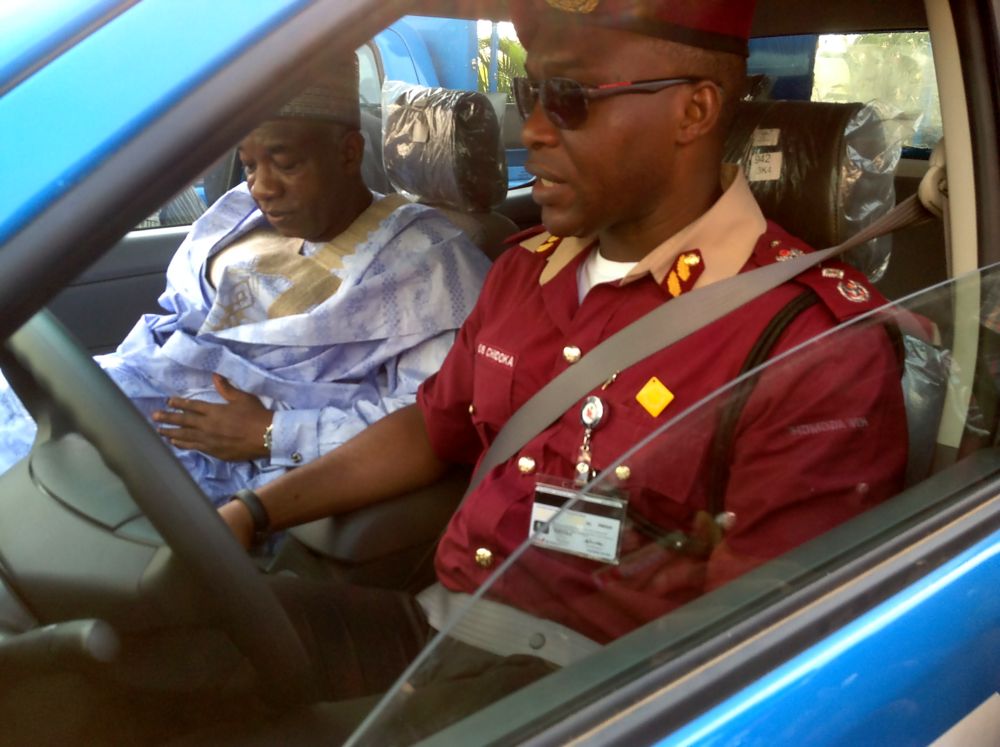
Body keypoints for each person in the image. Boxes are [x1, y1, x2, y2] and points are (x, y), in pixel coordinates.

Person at [208, 0, 907, 738]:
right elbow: (432, 425)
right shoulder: (522, 271)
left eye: (571, 100)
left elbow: (759, 661)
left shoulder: (812, 346)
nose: (533, 130)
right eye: (528, 95)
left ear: (694, 111)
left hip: (600, 694)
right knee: (171, 632)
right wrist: (255, 512)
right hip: (441, 625)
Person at [0, 57, 491, 503]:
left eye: (286, 162)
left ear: (348, 153)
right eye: (251, 164)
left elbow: (427, 419)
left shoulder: (433, 264)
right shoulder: (236, 213)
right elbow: (178, 318)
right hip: (133, 404)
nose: (262, 187)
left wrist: (273, 432)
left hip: (235, 467)